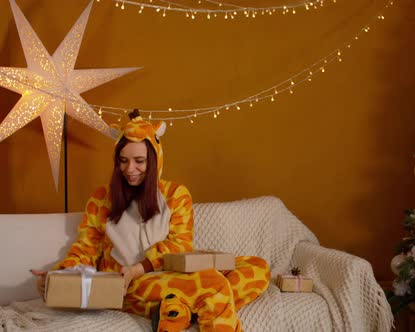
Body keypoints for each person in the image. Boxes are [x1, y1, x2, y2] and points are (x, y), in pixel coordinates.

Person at [32, 109, 270, 332]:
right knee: (213, 284)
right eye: (123, 161)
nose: (130, 169)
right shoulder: (101, 198)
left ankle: (178, 310)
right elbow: (86, 248)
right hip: (126, 283)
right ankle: (186, 306)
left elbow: (180, 246)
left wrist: (141, 267)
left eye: (139, 161)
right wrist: (60, 275)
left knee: (257, 267)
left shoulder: (177, 194)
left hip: (168, 272)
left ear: (154, 160)